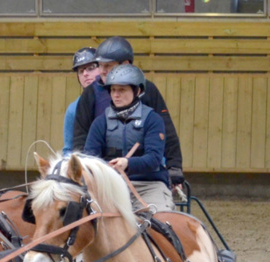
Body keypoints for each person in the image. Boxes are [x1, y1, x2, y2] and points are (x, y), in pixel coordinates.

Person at [71, 36, 185, 189]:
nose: (102, 71)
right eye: (100, 65)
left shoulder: (148, 90)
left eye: (108, 66)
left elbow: (166, 129)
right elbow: (80, 136)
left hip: (145, 172)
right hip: (105, 174)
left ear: (125, 64)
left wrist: (174, 166)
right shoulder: (90, 94)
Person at [83, 65, 175, 213]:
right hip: (111, 186)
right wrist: (107, 168)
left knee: (159, 221)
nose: (116, 95)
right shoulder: (100, 122)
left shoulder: (153, 119)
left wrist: (128, 163)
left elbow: (154, 159)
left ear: (137, 91)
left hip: (149, 185)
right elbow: (89, 159)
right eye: (113, 90)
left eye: (122, 90)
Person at [62, 47, 100, 155]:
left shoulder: (116, 98)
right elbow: (68, 149)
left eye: (91, 68)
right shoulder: (73, 109)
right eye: (80, 71)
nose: (85, 74)